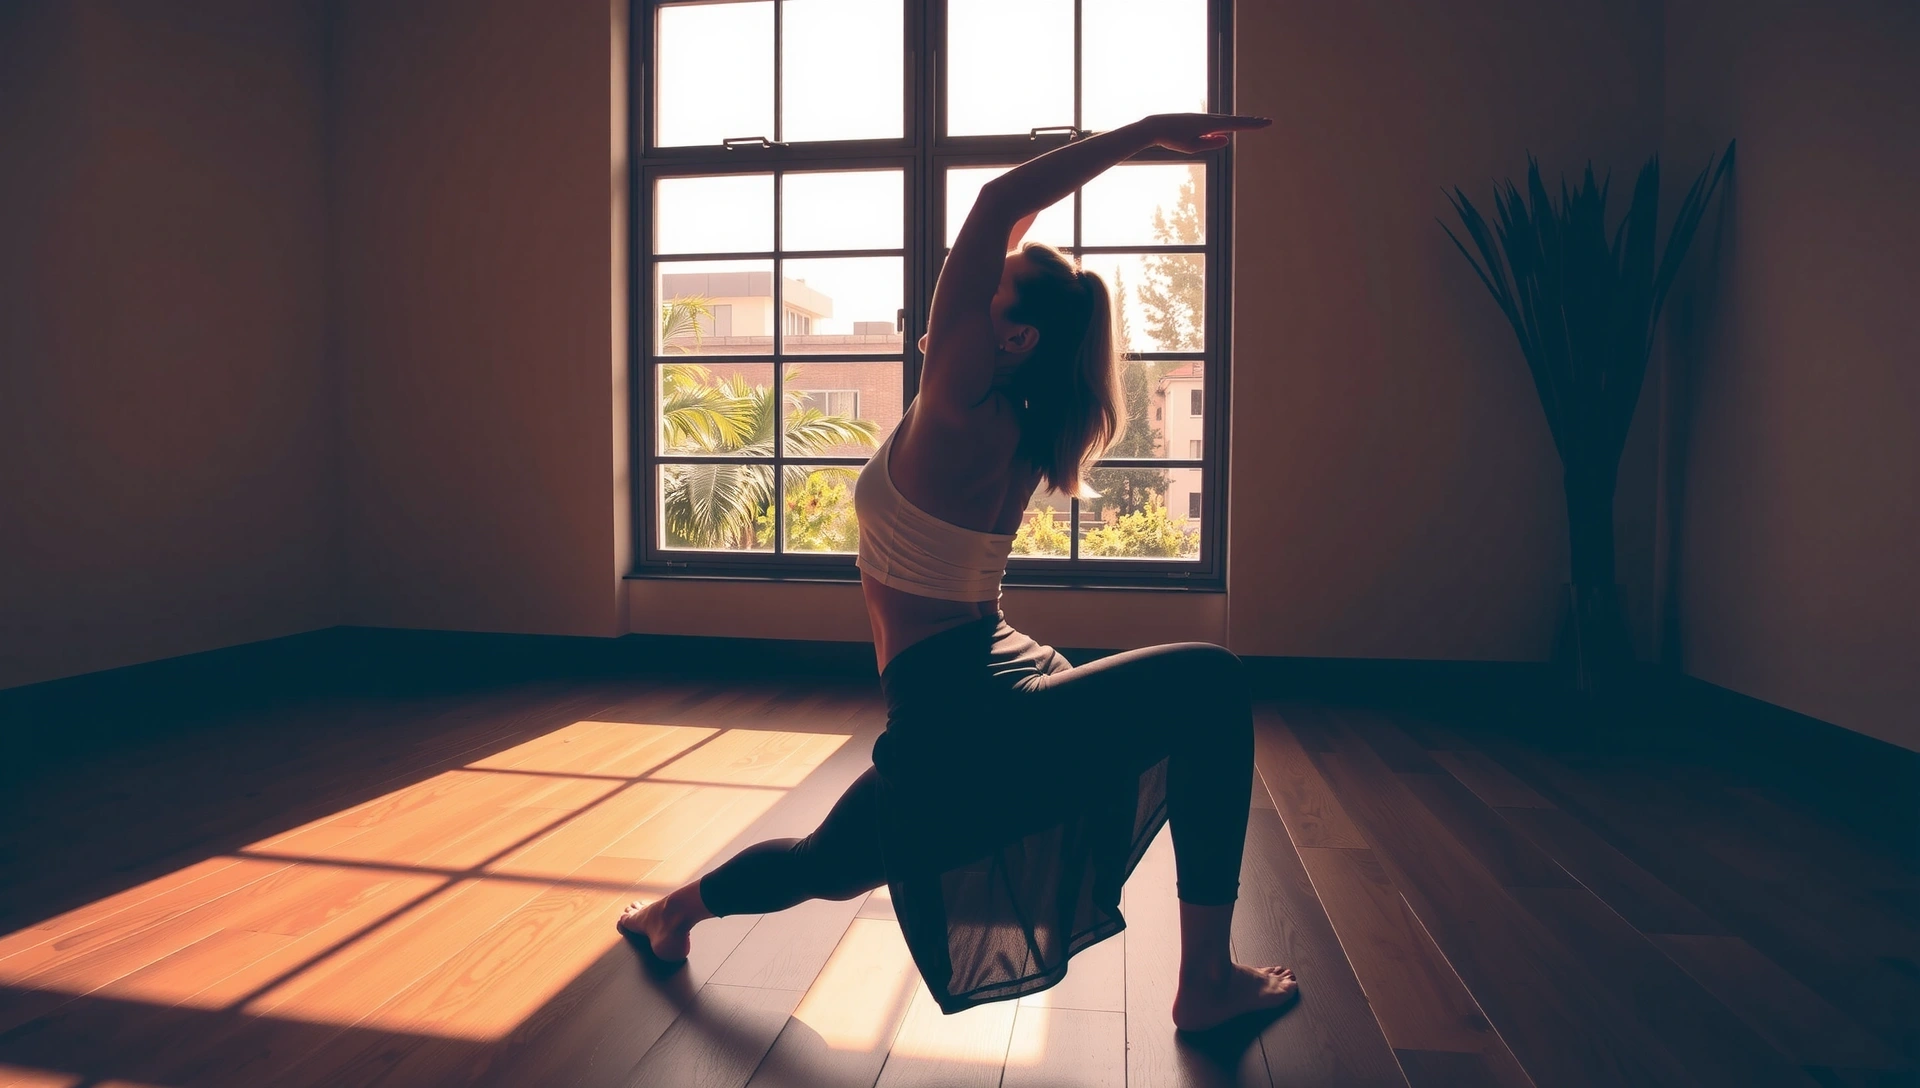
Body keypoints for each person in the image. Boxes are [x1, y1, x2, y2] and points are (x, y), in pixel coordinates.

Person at [620, 112, 1292, 1033]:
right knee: (831, 859)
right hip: (970, 698)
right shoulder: (1015, 412)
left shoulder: (963, 404)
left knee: (1213, 686)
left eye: (990, 296)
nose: (958, 298)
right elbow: (1006, 231)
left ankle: (1205, 983)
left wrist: (1147, 131)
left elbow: (995, 205)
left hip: (964, 710)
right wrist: (1039, 246)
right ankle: (671, 915)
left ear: (1012, 340)